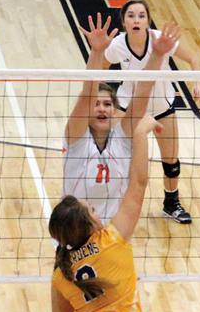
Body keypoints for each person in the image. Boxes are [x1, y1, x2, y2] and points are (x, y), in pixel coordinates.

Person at [51, 115, 162, 312]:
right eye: (91, 209)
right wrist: (141, 134)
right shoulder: (112, 240)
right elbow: (138, 184)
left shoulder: (61, 273)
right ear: (90, 225)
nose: (96, 209)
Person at [63, 12, 180, 224]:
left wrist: (156, 55)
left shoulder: (122, 140)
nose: (102, 109)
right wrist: (97, 52)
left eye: (108, 104)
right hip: (76, 232)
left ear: (114, 110)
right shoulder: (76, 138)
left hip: (112, 235)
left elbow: (143, 91)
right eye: (96, 104)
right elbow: (88, 92)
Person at [103, 0, 200, 224]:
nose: (136, 20)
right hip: (130, 110)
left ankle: (172, 205)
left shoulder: (161, 39)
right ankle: (114, 204)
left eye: (141, 15)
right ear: (124, 22)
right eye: (131, 16)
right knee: (123, 160)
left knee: (171, 161)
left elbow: (194, 58)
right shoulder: (118, 45)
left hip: (162, 107)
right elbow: (99, 68)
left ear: (148, 20)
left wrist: (197, 83)